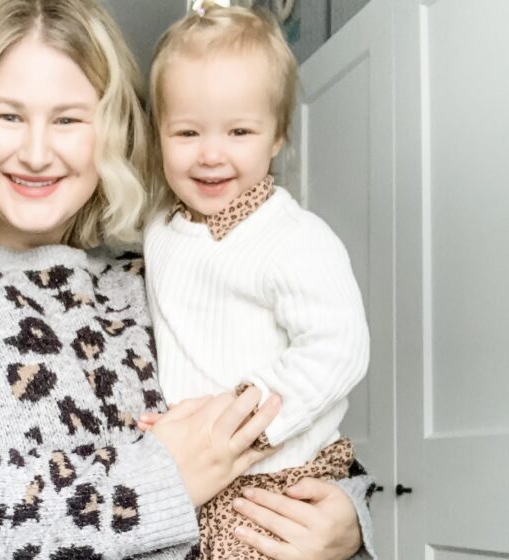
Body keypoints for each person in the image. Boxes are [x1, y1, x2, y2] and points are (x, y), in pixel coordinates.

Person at [0, 0, 374, 558]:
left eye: (68, 119)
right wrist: (161, 480)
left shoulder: (148, 277)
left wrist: (350, 519)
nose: (37, 153)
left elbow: (301, 428)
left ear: (110, 130)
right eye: (8, 115)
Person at [139, 2, 371, 559]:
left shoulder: (293, 237)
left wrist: (238, 420)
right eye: (187, 131)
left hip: (277, 477)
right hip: (199, 480)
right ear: (159, 136)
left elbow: (340, 349)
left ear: (276, 137)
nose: (211, 154)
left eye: (239, 130)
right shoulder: (158, 229)